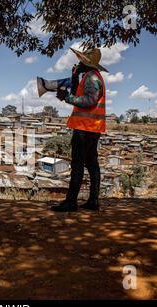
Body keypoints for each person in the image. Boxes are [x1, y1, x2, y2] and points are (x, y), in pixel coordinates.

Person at [52, 47, 108, 212]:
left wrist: (67, 98)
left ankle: (71, 202)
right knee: (91, 163)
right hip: (92, 128)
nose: (78, 63)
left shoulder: (91, 78)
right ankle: (93, 201)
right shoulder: (90, 77)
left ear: (86, 63)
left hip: (85, 128)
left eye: (80, 61)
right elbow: (79, 93)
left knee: (78, 164)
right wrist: (74, 76)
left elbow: (89, 100)